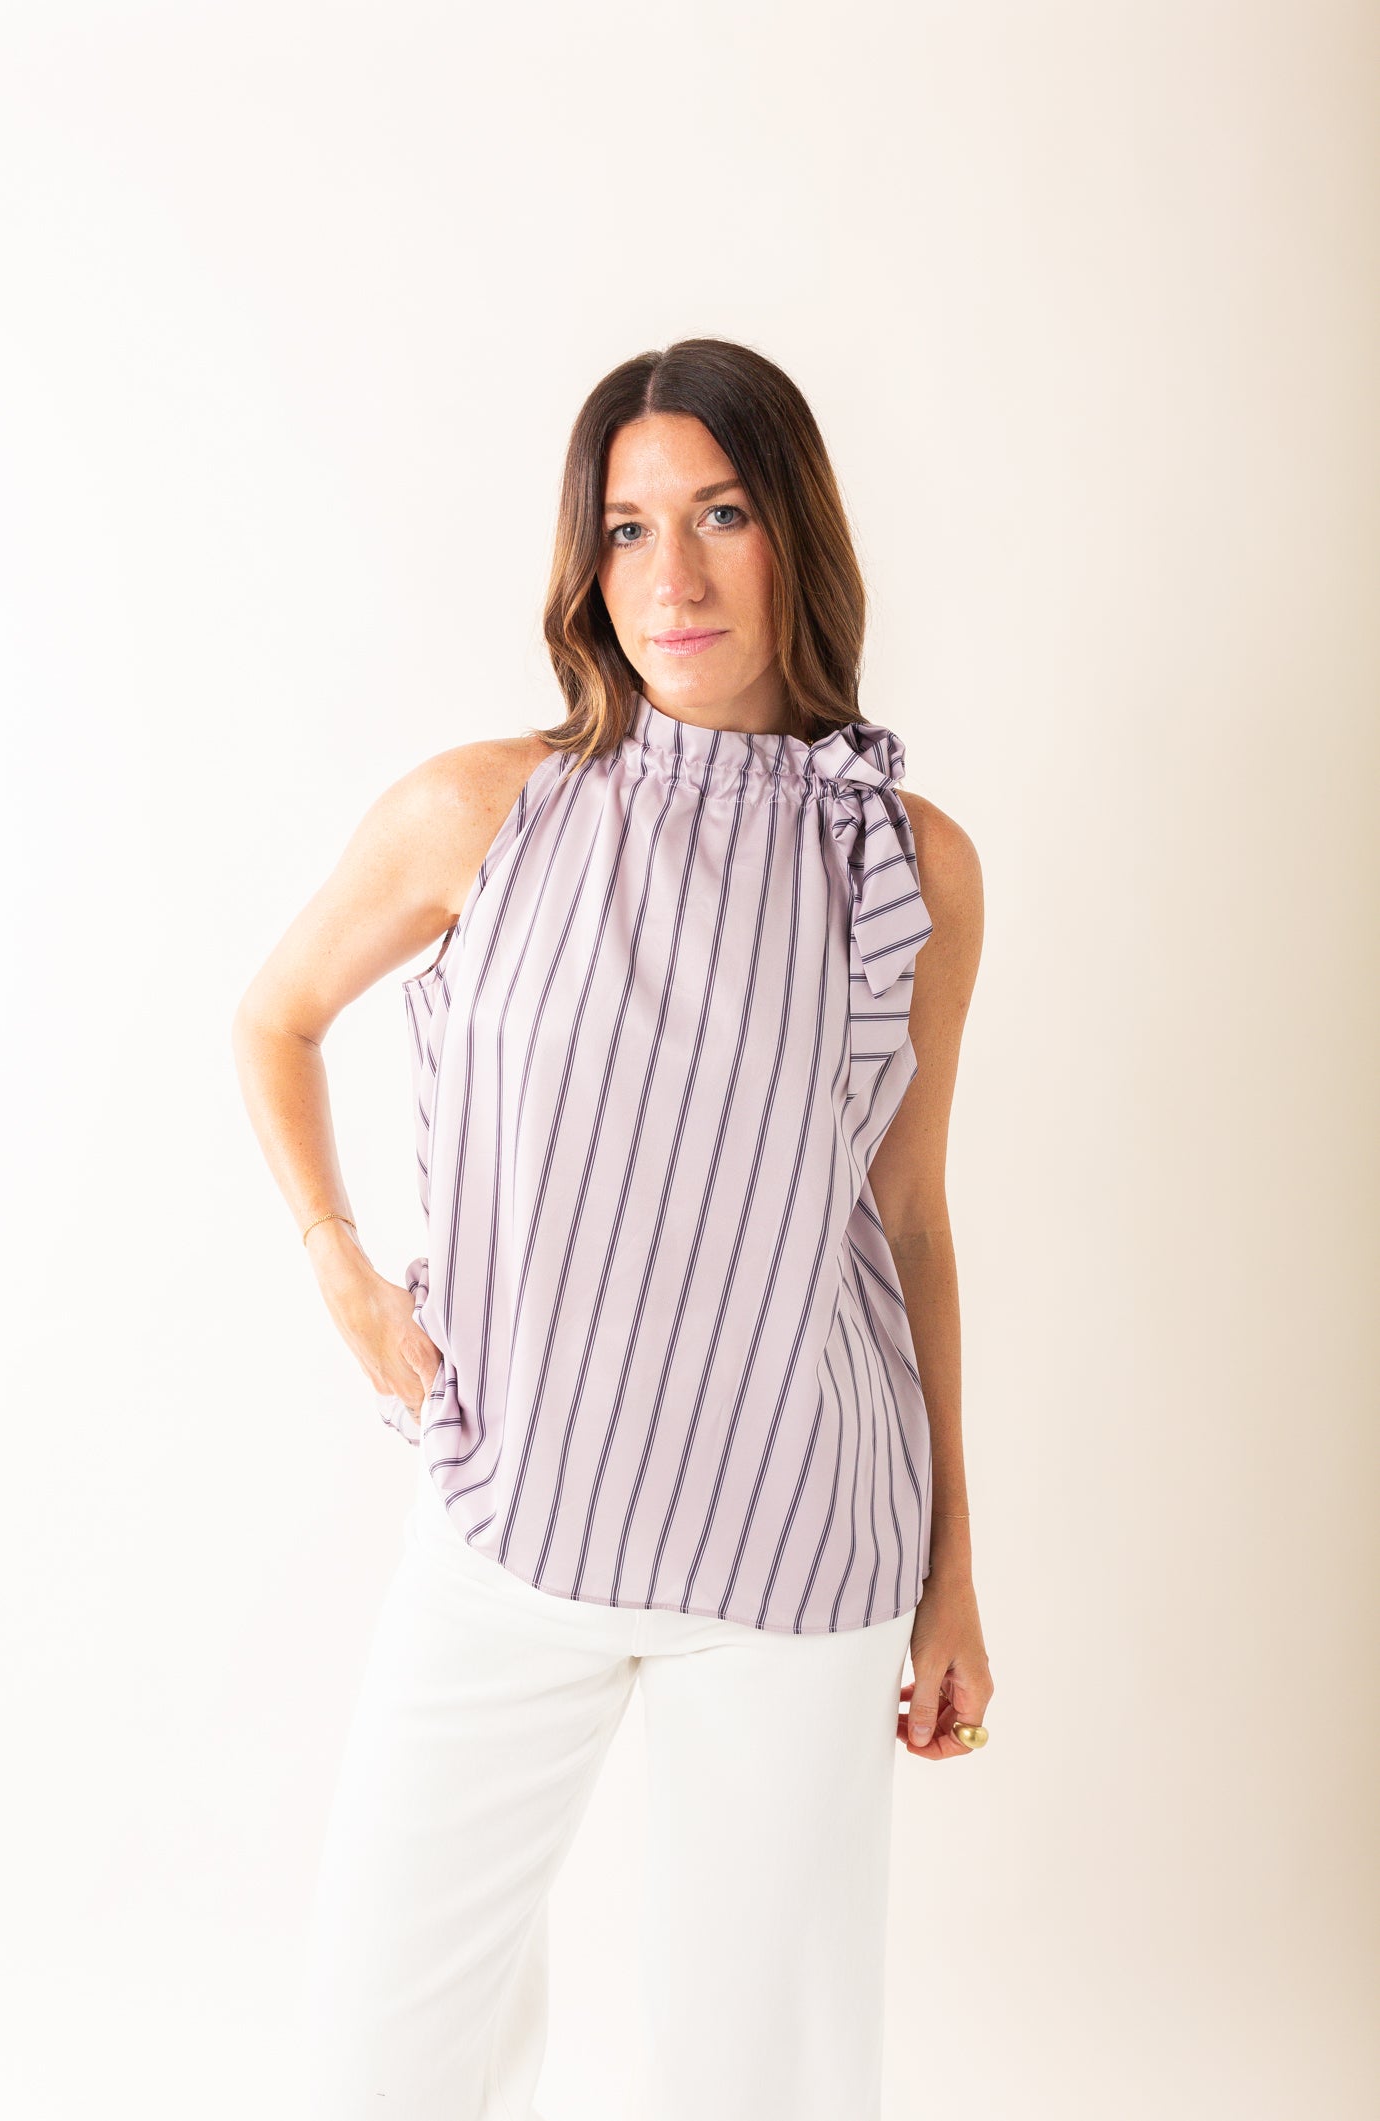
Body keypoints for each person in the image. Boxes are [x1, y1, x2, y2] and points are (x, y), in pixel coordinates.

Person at [232, 335, 990, 2121]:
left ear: (795, 531)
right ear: (585, 561)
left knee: (761, 2077)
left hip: (798, 1543)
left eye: (720, 514)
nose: (673, 575)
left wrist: (954, 1569)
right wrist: (341, 1265)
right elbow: (275, 1016)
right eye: (629, 527)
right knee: (380, 2045)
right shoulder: (479, 811)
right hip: (511, 1512)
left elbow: (906, 1214)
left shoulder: (910, 862)